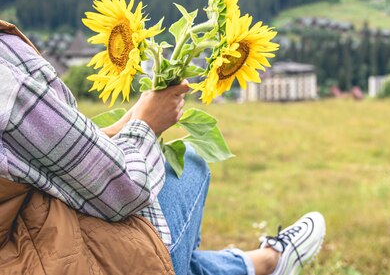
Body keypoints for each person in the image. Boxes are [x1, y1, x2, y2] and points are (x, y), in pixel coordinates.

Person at [0, 20, 325, 275]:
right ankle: (267, 262)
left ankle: (264, 262)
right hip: (46, 258)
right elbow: (123, 191)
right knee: (188, 166)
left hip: (24, 244)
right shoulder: (6, 87)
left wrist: (127, 122)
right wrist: (147, 125)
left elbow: (34, 153)